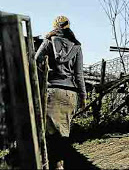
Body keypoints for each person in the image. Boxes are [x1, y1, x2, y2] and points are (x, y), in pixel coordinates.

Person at [34, 15, 86, 170]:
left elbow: (35, 62)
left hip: (52, 91)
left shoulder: (48, 42)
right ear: (68, 26)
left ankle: (47, 164)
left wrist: (45, 73)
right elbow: (79, 75)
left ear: (55, 27)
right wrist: (83, 96)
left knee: (49, 133)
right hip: (70, 94)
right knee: (63, 132)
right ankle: (60, 166)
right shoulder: (76, 46)